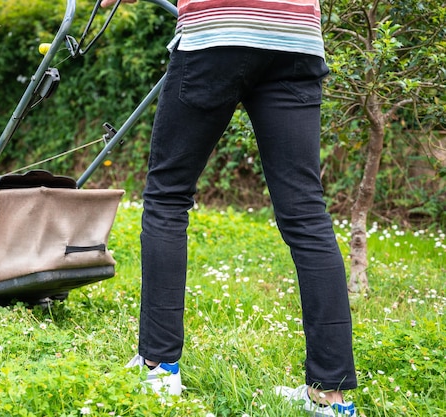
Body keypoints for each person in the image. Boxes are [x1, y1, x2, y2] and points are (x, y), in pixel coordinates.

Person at [101, 0, 358, 415]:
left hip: (219, 28)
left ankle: (159, 367)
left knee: (168, 196)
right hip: (295, 35)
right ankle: (330, 395)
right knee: (307, 213)